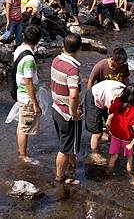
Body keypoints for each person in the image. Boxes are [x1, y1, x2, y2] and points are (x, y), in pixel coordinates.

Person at [51, 33, 83, 185]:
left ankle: (72, 166)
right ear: (79, 48)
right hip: (67, 114)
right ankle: (60, 178)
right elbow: (74, 94)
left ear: (63, 46)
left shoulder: (56, 60)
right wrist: (74, 111)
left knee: (65, 142)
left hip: (56, 107)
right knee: (64, 147)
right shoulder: (72, 69)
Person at [14, 25, 43, 165]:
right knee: (25, 127)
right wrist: (35, 104)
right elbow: (28, 82)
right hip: (27, 97)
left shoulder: (20, 49)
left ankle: (22, 152)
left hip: (21, 93)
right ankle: (23, 156)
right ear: (38, 41)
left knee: (21, 125)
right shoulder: (29, 59)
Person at [83, 80, 129, 164]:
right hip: (94, 96)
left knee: (115, 126)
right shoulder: (113, 99)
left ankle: (109, 139)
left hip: (104, 93)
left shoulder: (128, 94)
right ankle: (95, 153)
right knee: (97, 132)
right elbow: (109, 122)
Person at [106, 83, 134, 173]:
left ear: (124, 93)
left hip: (115, 134)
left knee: (114, 156)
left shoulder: (117, 102)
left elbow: (110, 110)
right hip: (127, 138)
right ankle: (130, 176)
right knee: (130, 158)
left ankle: (108, 172)